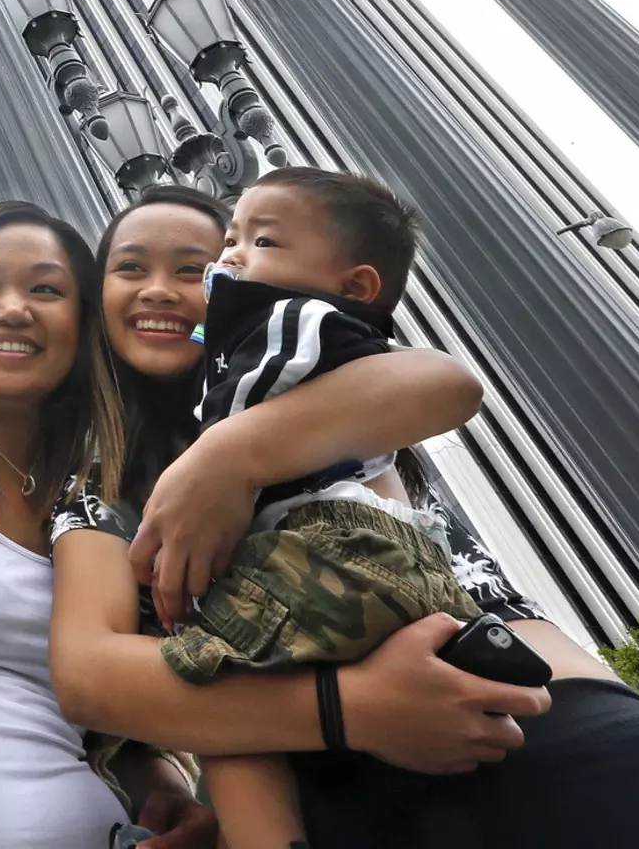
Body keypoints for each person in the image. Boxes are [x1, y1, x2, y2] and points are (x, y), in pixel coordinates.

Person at [0, 200, 544, 849]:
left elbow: (112, 702)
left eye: (46, 289)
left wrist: (162, 788)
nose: (13, 307)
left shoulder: (101, 495)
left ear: (80, 324)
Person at [54, 182, 639, 848]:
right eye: (130, 267)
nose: (165, 290)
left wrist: (229, 455)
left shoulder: (324, 373)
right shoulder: (94, 487)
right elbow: (94, 676)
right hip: (340, 801)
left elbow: (445, 382)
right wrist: (346, 710)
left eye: (202, 267)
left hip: (538, 726)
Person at [143, 168, 485, 849]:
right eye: (230, 241)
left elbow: (440, 382)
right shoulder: (281, 340)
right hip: (366, 559)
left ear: (355, 286)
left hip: (331, 546)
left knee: (215, 681)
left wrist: (219, 456)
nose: (229, 257)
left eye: (261, 241)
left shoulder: (293, 321)